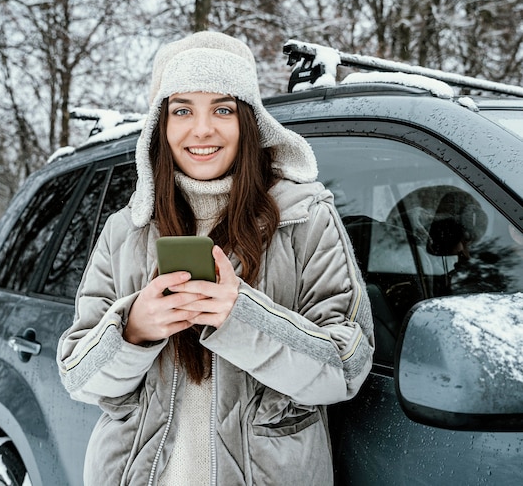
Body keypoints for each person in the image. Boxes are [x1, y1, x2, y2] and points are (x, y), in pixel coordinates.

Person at [57, 31, 374, 486]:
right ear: (160, 127)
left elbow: (346, 370)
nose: (202, 129)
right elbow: (79, 379)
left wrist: (241, 315)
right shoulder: (125, 231)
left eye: (222, 109)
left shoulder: (306, 218)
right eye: (182, 110)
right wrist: (132, 330)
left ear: (249, 122)